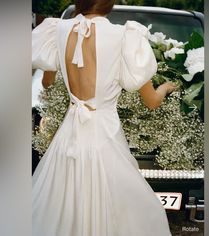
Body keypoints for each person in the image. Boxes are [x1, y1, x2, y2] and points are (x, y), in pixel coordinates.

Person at [32, 0, 177, 235]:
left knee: (62, 205)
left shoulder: (56, 30)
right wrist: (167, 88)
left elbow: (47, 83)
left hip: (68, 136)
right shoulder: (125, 36)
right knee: (128, 209)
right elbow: (152, 102)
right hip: (105, 138)